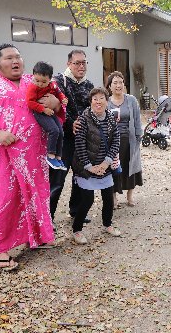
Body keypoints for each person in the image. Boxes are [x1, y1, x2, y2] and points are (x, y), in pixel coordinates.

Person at [0, 43, 55, 271]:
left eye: (18, 57)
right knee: (5, 198)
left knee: (36, 195)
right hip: (3, 153)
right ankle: (1, 251)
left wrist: (56, 103)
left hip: (34, 154)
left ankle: (35, 238)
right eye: (9, 58)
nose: (15, 61)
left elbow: (58, 101)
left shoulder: (33, 81)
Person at [71, 87, 121, 244]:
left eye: (101, 98)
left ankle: (107, 224)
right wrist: (89, 166)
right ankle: (77, 230)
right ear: (90, 101)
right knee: (87, 200)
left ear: (107, 101)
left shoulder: (111, 118)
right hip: (87, 168)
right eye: (95, 99)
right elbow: (79, 145)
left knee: (108, 198)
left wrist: (106, 163)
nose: (98, 102)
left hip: (104, 167)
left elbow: (116, 141)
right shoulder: (83, 119)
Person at [49, 49, 94, 223]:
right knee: (57, 179)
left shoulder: (88, 85)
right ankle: (48, 218)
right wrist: (70, 123)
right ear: (69, 64)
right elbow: (55, 107)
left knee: (80, 177)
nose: (81, 66)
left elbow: (92, 108)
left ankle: (76, 210)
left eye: (84, 62)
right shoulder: (58, 82)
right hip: (63, 140)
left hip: (82, 139)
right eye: (77, 63)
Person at [106, 71, 143, 208]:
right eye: (115, 82)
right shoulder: (107, 102)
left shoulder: (131, 100)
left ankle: (130, 196)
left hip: (130, 139)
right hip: (112, 142)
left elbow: (137, 119)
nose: (118, 85)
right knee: (113, 168)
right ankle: (114, 197)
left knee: (130, 167)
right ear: (110, 86)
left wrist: (139, 135)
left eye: (120, 82)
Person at [26, 61, 68, 170]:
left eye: (43, 82)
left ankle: (58, 157)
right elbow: (30, 102)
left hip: (50, 111)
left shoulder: (53, 84)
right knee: (53, 130)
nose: (39, 84)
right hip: (39, 111)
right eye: (37, 80)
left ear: (50, 79)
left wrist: (63, 98)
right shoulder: (33, 87)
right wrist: (43, 109)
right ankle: (50, 155)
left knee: (61, 131)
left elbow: (58, 92)